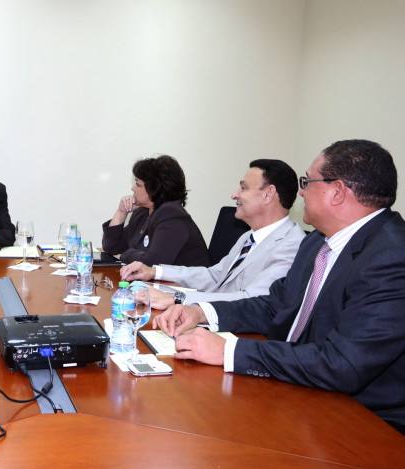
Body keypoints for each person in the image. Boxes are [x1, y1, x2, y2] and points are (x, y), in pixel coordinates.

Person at [153, 139, 405, 434]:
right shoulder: (317, 241)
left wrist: (229, 350)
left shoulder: (392, 257)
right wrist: (200, 312)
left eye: (306, 182)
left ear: (337, 191)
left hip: (361, 421)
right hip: (298, 386)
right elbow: (275, 305)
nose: (300, 192)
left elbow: (342, 364)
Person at [121, 159, 305, 309]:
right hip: (214, 316)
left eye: (243, 188)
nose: (234, 195)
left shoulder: (292, 246)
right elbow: (214, 276)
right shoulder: (249, 236)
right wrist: (155, 271)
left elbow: (250, 300)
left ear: (268, 194)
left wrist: (176, 298)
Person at [102, 154, 210, 266]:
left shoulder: (172, 216)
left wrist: (125, 255)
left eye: (138, 184)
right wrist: (121, 211)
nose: (133, 188)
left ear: (154, 188)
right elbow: (112, 247)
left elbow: (153, 264)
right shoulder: (143, 212)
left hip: (185, 278)